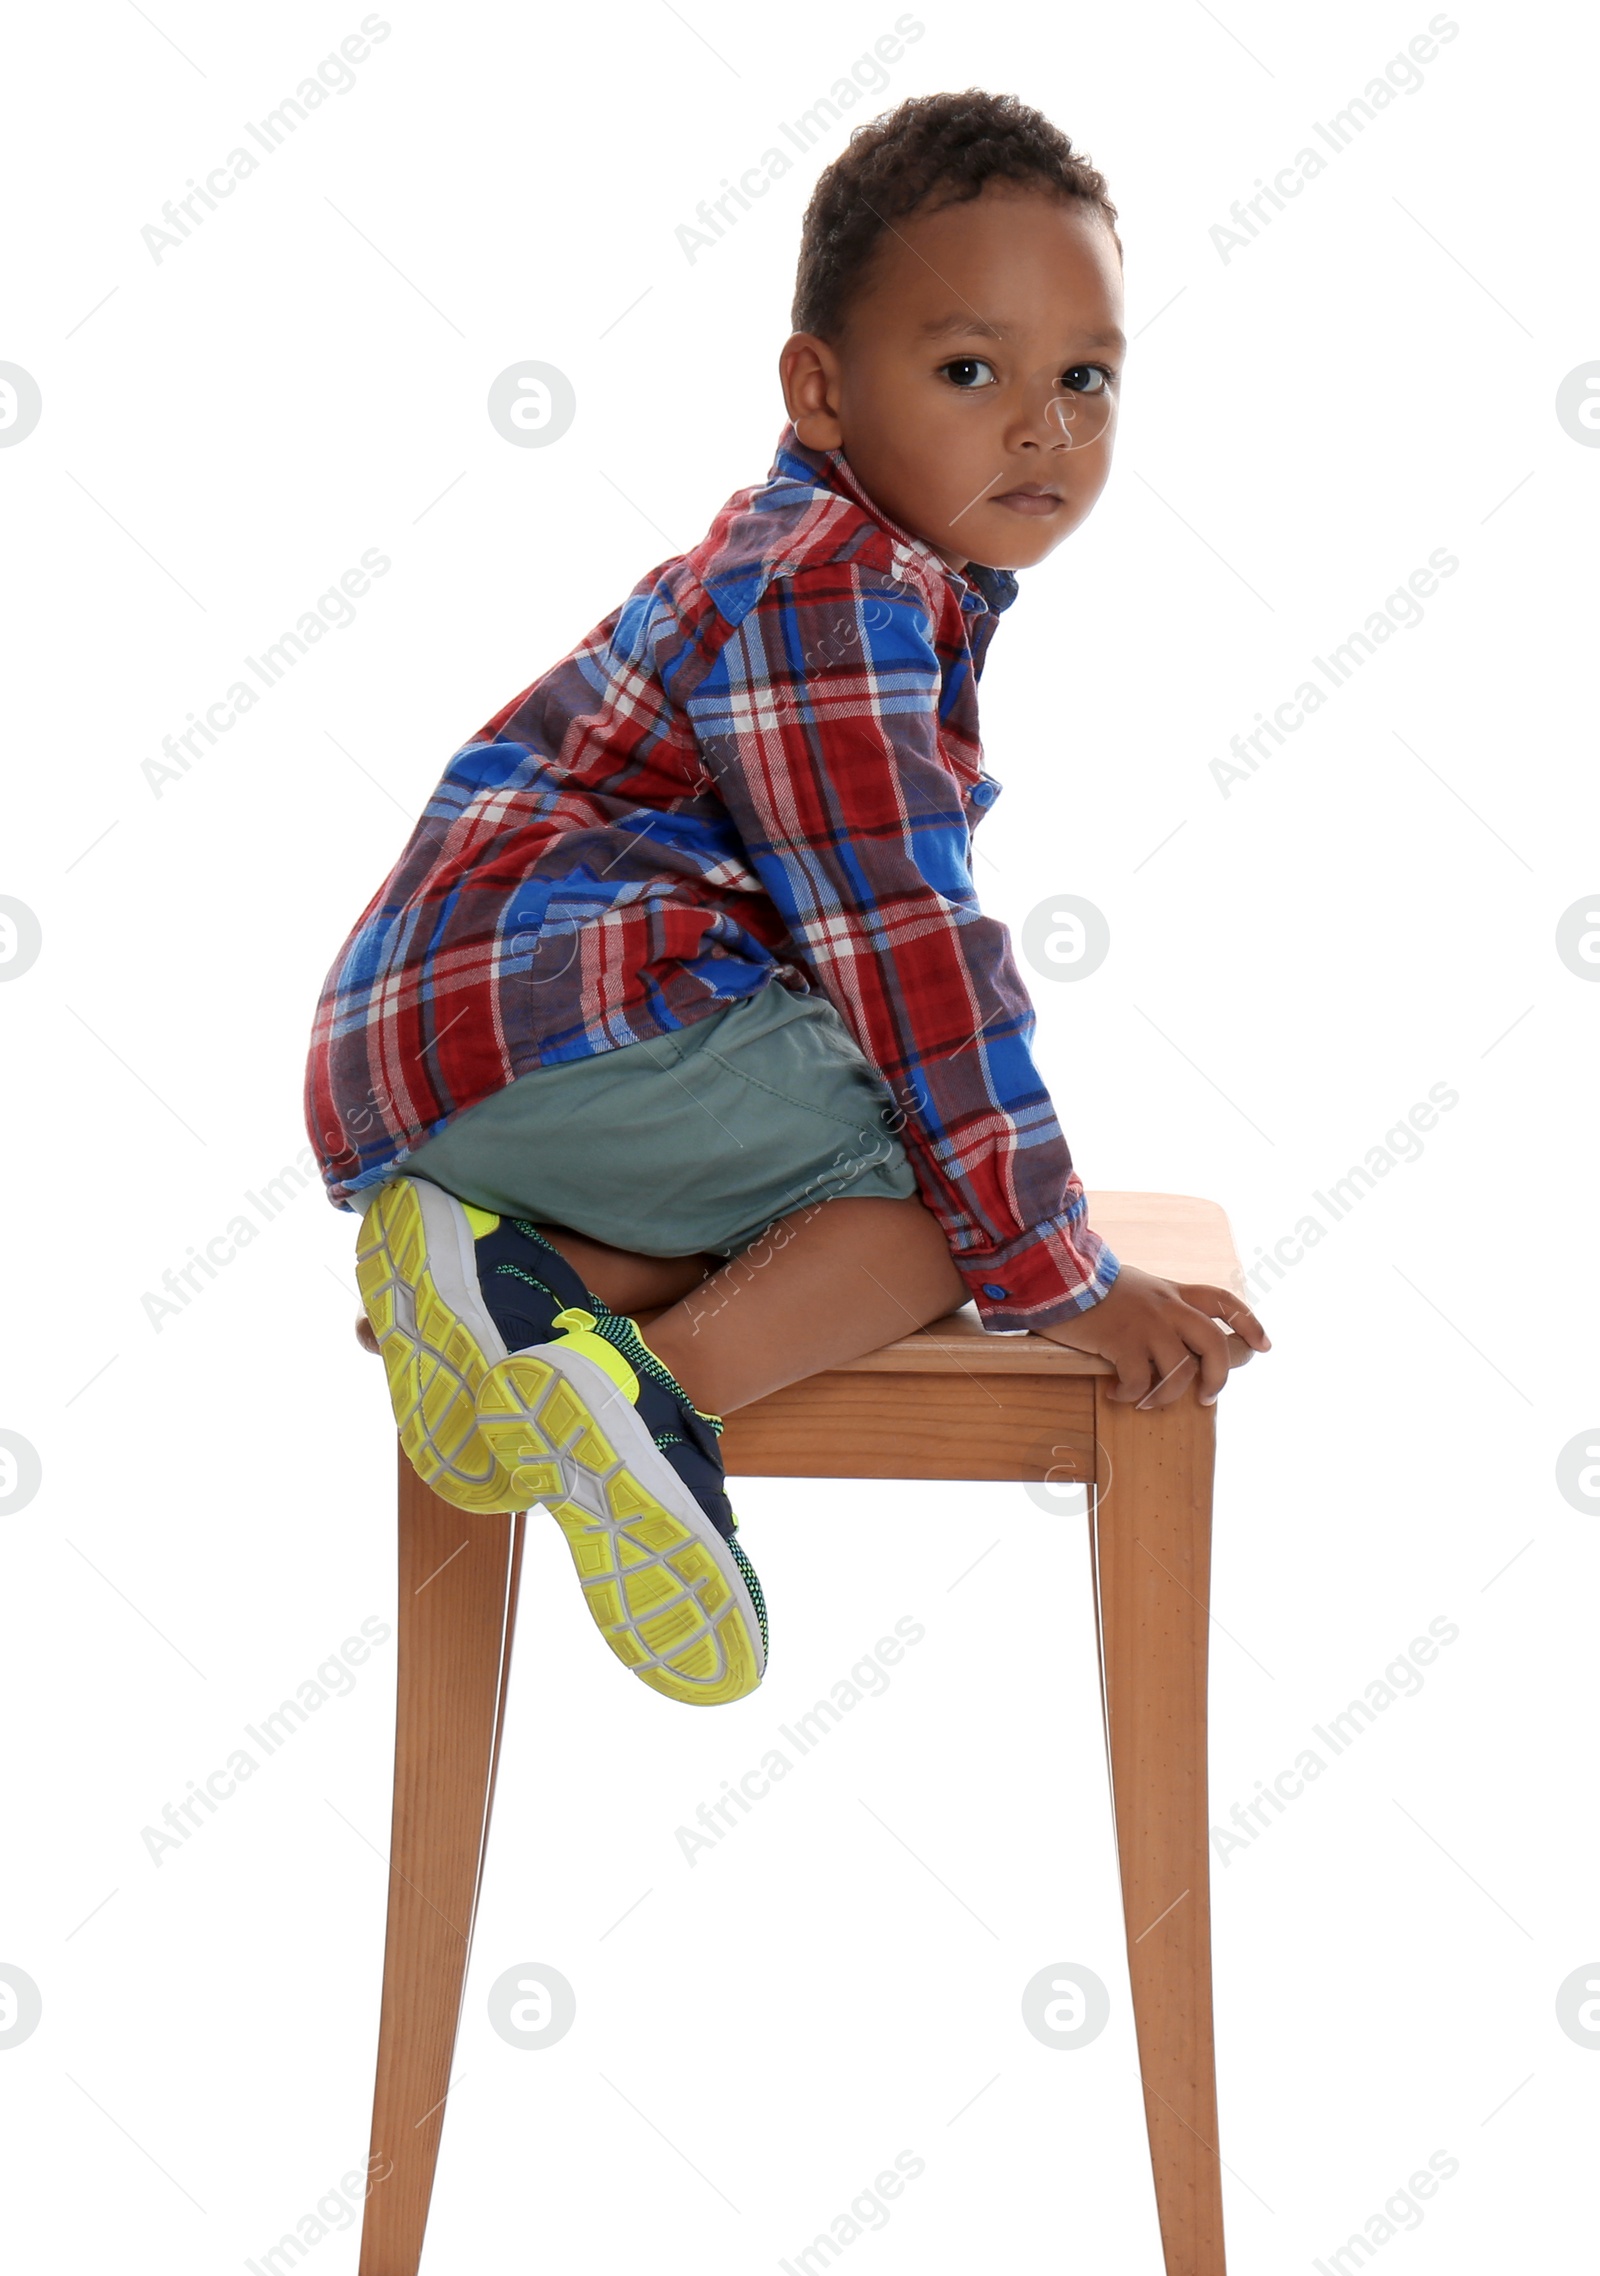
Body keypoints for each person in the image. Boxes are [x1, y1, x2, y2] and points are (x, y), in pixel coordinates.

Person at [304, 89, 1270, 1712]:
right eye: (972, 371)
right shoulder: (833, 596)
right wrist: (1067, 1272)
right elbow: (911, 958)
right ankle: (652, 1412)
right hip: (567, 1029)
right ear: (819, 390)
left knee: (917, 1170)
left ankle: (525, 1289)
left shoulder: (834, 567)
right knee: (940, 1201)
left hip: (462, 1070)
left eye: (1083, 377)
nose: (1043, 426)